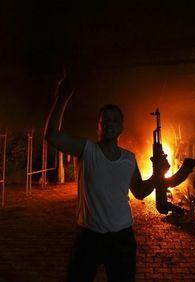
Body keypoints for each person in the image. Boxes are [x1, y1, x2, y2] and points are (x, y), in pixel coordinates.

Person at [44, 71, 172, 281]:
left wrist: (158, 174)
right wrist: (61, 98)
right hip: (89, 237)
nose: (110, 123)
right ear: (99, 126)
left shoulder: (129, 159)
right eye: (105, 120)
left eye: (115, 120)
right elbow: (52, 136)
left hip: (122, 238)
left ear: (121, 127)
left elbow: (139, 192)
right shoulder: (87, 150)